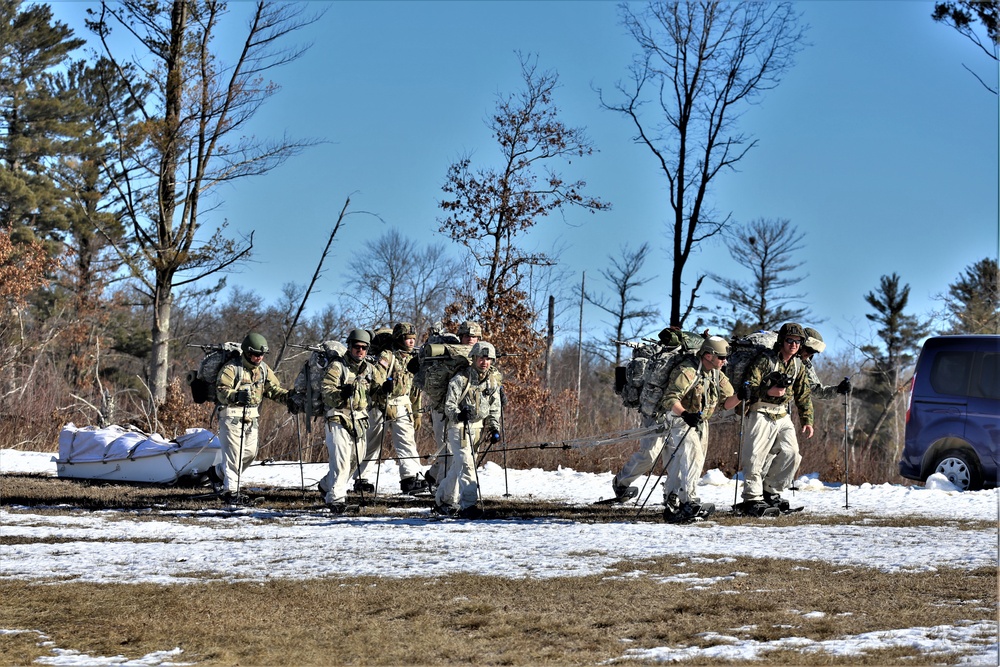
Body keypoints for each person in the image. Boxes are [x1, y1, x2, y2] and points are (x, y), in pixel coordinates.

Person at [656, 336, 742, 523]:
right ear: (709, 355)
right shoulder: (687, 371)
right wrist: (686, 414)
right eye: (721, 357)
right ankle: (689, 501)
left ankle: (672, 497)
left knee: (687, 460)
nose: (724, 361)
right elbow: (670, 399)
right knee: (692, 455)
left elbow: (727, 403)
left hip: (701, 422)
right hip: (679, 419)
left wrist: (741, 396)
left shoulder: (717, 374)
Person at [736, 322, 814, 516]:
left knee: (791, 454)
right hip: (760, 410)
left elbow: (803, 393)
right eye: (790, 340)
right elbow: (748, 386)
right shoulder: (765, 360)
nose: (794, 345)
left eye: (797, 342)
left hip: (782, 414)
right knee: (755, 456)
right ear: (781, 341)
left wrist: (807, 420)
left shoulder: (798, 365)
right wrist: (767, 390)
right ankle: (752, 498)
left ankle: (771, 491)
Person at [214, 333, 290, 504]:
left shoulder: (263, 369)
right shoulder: (232, 368)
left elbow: (273, 389)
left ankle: (217, 473)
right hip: (231, 415)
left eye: (261, 355)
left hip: (252, 416)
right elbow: (221, 390)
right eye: (255, 354)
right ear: (247, 352)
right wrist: (236, 395)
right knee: (234, 455)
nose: (258, 358)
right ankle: (231, 492)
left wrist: (290, 398)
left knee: (249, 453)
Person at [434, 341, 502, 519]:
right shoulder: (460, 379)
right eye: (481, 358)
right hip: (459, 428)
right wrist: (459, 414)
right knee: (467, 465)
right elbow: (449, 405)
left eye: (488, 359)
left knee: (459, 466)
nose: (484, 362)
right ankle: (469, 505)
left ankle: (443, 500)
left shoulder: (492, 381)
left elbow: (495, 407)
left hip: (478, 428)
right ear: (473, 358)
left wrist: (494, 427)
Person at [363, 322, 429, 494]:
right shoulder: (387, 356)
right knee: (371, 443)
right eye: (408, 339)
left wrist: (416, 412)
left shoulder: (413, 359)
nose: (411, 342)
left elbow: (415, 388)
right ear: (399, 339)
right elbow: (376, 382)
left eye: (413, 339)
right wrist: (384, 404)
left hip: (402, 404)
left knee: (406, 441)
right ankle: (361, 479)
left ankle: (410, 477)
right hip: (380, 404)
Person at [320, 328, 375, 514]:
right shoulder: (338, 366)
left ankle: (326, 485)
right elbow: (326, 391)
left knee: (355, 461)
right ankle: (336, 499)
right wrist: (341, 393)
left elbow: (374, 392)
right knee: (341, 460)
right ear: (349, 347)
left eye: (364, 348)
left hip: (359, 418)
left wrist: (385, 388)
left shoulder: (368, 369)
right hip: (338, 416)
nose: (360, 351)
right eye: (357, 347)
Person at [424, 320, 481, 491]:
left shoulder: (479, 357)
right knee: (447, 451)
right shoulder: (447, 355)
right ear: (460, 336)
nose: (470, 339)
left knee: (463, 454)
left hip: (468, 413)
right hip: (443, 409)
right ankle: (443, 493)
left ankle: (435, 477)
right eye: (467, 336)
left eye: (474, 336)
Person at [801, 327, 852, 400]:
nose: (809, 355)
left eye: (813, 352)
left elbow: (817, 391)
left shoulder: (805, 363)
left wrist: (838, 390)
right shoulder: (781, 355)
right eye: (808, 350)